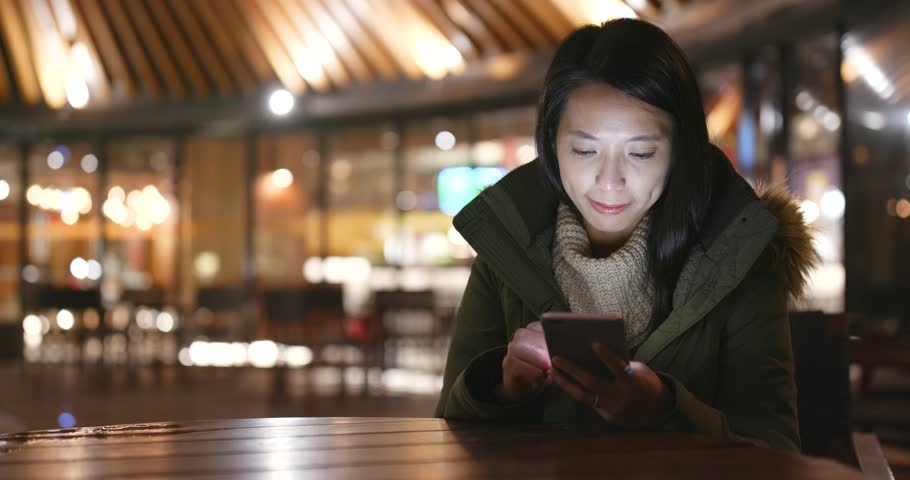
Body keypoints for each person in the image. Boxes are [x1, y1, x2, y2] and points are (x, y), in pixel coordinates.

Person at [434, 18, 817, 452]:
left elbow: (776, 454)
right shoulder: (507, 245)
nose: (609, 180)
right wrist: (501, 389)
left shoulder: (740, 253)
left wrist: (664, 409)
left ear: (680, 151)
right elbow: (446, 432)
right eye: (584, 150)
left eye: (640, 152)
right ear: (550, 145)